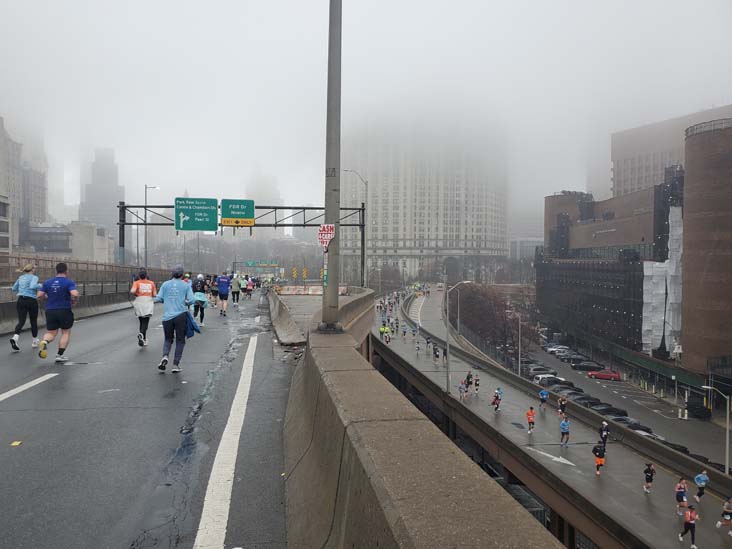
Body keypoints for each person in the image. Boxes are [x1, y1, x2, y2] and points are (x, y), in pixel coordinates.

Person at [37, 262, 80, 363]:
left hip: (50, 310)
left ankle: (44, 341)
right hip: (64, 309)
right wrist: (74, 301)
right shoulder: (68, 282)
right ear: (66, 271)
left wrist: (45, 298)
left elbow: (39, 295)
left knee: (51, 332)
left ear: (56, 271)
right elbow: (75, 293)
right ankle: (59, 355)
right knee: (65, 332)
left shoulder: (47, 282)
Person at [154, 266, 194, 373]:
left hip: (167, 317)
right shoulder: (185, 285)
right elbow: (192, 300)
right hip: (180, 315)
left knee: (168, 339)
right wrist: (185, 302)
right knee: (180, 340)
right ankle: (175, 365)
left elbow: (158, 298)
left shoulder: (165, 284)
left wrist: (165, 300)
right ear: (182, 275)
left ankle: (165, 356)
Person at [10, 263, 41, 352]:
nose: (35, 270)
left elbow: (13, 289)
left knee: (21, 321)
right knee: (33, 321)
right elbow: (32, 286)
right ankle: (34, 341)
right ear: (32, 270)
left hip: (20, 300)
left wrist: (22, 289)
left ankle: (15, 338)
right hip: (31, 301)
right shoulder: (34, 277)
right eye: (34, 269)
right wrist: (39, 285)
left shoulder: (21, 277)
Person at [130, 269, 157, 346]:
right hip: (148, 302)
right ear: (146, 275)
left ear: (139, 276)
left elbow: (132, 291)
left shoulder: (136, 283)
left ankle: (143, 338)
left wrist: (137, 292)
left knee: (141, 321)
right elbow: (155, 294)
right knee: (146, 321)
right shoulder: (151, 283)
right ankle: (142, 334)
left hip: (139, 301)